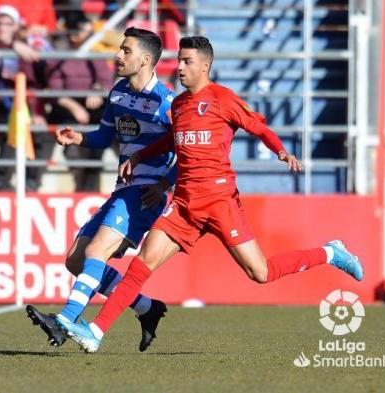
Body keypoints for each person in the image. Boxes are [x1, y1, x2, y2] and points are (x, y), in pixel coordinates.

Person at [57, 36, 364, 353]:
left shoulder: (224, 99)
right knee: (140, 267)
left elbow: (260, 128)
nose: (179, 67)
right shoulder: (179, 104)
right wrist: (138, 156)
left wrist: (282, 152)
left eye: (187, 61)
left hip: (219, 202)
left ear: (205, 65)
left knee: (261, 272)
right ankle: (95, 331)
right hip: (184, 204)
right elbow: (173, 142)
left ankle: (330, 253)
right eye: (178, 60)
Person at [26, 27, 177, 352]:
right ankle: (147, 308)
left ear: (146, 59)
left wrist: (165, 184)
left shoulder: (166, 102)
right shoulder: (119, 93)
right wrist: (79, 137)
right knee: (76, 260)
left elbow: (191, 150)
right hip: (123, 190)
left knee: (95, 253)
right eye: (119, 49)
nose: (117, 55)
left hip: (145, 194)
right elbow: (103, 136)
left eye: (125, 50)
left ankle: (65, 320)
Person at [0, 5, 47, 191]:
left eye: (8, 24)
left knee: (37, 134)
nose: (3, 28)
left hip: (21, 105)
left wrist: (36, 112)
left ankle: (31, 184)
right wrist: (12, 47)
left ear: (16, 26)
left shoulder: (25, 47)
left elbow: (32, 82)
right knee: (12, 134)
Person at [45, 16, 114, 191]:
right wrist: (74, 107)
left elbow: (106, 82)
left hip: (93, 108)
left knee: (97, 146)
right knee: (74, 150)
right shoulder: (59, 56)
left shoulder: (95, 56)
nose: (86, 34)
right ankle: (80, 186)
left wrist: (97, 90)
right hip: (66, 108)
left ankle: (89, 190)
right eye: (82, 29)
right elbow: (55, 92)